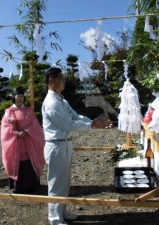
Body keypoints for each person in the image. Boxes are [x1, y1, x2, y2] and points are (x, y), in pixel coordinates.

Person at [42, 67, 112, 225]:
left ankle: (62, 212)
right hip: (56, 145)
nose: (64, 80)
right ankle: (54, 218)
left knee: (65, 182)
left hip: (65, 144)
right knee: (56, 183)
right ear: (51, 80)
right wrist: (92, 126)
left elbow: (76, 116)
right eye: (61, 77)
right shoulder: (51, 102)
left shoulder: (61, 100)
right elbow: (68, 124)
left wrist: (92, 122)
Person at [0, 87, 45, 194]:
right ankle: (18, 186)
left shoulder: (28, 111)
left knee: (29, 162)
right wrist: (16, 133)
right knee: (17, 163)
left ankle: (32, 185)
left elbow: (34, 124)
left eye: (22, 96)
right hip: (15, 143)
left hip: (28, 141)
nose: (20, 98)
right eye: (18, 96)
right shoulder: (8, 112)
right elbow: (5, 128)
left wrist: (27, 131)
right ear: (13, 97)